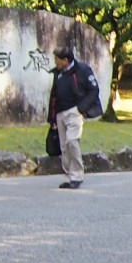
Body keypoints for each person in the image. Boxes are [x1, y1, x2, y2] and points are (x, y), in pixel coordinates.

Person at [48, 48, 92, 189]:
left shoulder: (82, 70)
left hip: (74, 112)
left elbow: (93, 90)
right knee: (64, 147)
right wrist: (52, 118)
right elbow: (53, 95)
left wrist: (81, 108)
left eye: (57, 60)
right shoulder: (59, 73)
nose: (55, 62)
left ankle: (77, 175)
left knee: (72, 141)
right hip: (60, 113)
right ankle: (69, 176)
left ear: (66, 60)